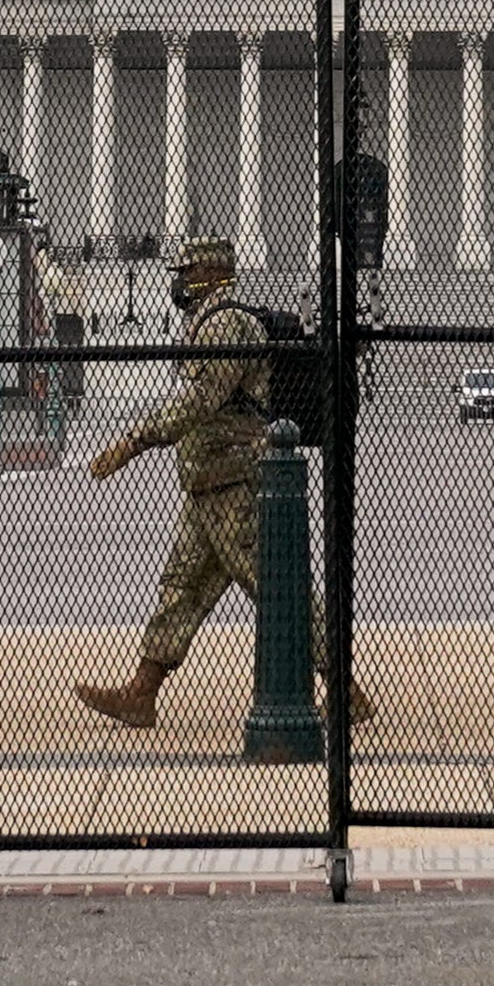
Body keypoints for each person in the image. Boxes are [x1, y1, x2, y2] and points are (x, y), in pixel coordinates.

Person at [74, 235, 370, 732]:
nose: (179, 281)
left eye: (186, 272)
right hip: (209, 481)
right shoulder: (210, 322)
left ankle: (345, 692)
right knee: (183, 585)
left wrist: (135, 441)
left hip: (234, 481)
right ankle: (142, 693)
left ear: (208, 274)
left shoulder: (227, 323)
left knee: (278, 587)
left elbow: (200, 400)